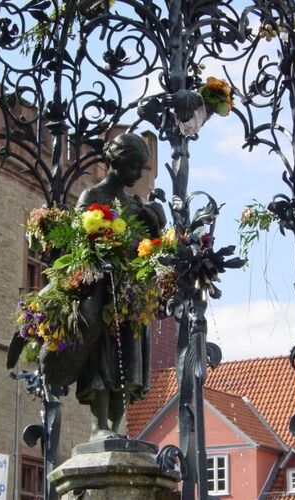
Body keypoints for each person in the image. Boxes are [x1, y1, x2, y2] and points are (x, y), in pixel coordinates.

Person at [74, 133, 166, 440]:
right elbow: (76, 245)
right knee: (102, 358)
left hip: (130, 295)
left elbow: (150, 251)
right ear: (117, 161)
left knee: (127, 358)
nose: (139, 174)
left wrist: (155, 226)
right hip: (101, 292)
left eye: (142, 167)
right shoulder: (92, 198)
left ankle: (116, 426)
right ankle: (99, 425)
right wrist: (101, 255)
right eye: (133, 165)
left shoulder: (136, 204)